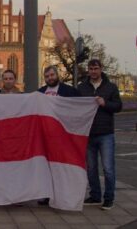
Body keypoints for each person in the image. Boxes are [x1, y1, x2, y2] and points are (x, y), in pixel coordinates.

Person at [78, 59, 122, 210]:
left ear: (101, 69)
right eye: (90, 69)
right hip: (88, 133)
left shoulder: (110, 87)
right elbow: (75, 106)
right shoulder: (82, 88)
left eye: (96, 68)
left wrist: (105, 103)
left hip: (105, 134)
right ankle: (95, 195)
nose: (93, 71)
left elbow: (118, 106)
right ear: (88, 70)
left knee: (108, 168)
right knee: (91, 168)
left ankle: (109, 198)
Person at [37, 65, 80, 205]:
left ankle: (62, 194)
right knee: (46, 166)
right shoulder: (40, 93)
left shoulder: (69, 91)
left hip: (62, 135)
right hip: (45, 135)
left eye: (52, 75)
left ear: (57, 75)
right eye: (47, 76)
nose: (50, 78)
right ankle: (47, 194)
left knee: (61, 166)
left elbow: (80, 105)